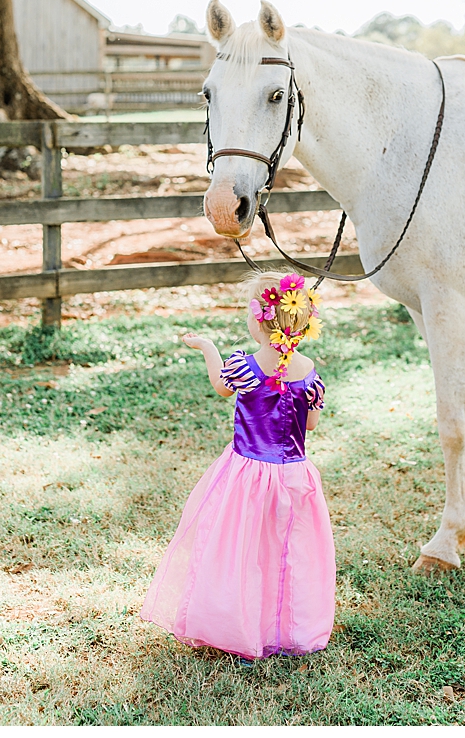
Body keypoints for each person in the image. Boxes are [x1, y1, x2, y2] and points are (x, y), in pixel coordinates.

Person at [140, 273, 336, 662]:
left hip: (247, 474)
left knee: (242, 551)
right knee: (288, 552)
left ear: (258, 320)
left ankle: (239, 626)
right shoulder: (308, 367)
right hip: (294, 475)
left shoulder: (245, 366)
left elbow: (220, 386)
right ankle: (288, 629)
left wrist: (208, 347)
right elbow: (311, 424)